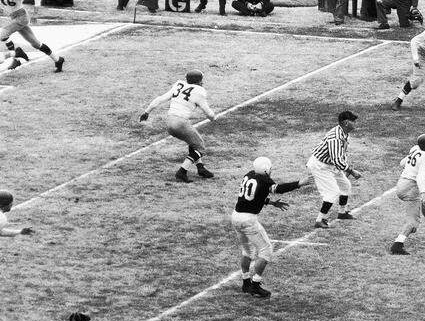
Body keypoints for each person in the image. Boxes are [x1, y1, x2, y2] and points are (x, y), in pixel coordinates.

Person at [232, 157, 304, 298]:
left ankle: (246, 281)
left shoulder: (249, 175)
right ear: (266, 169)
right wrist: (299, 183)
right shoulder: (264, 180)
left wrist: (270, 203)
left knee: (247, 251)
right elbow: (279, 189)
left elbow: (252, 196)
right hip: (248, 219)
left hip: (235, 216)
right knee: (266, 251)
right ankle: (255, 285)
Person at [139, 70, 218, 182]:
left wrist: (147, 112)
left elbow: (160, 99)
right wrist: (213, 118)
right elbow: (208, 113)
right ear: (199, 81)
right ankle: (182, 171)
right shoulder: (199, 91)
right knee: (200, 148)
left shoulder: (179, 85)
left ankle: (201, 168)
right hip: (180, 123)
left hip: (169, 121)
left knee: (193, 142)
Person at [390, 133, 425, 255]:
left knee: (420, 202)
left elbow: (402, 163)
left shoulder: (415, 148)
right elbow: (420, 178)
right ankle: (397, 245)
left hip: (401, 184)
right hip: (410, 187)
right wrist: (424, 193)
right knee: (413, 221)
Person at [309, 110, 363, 229]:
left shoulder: (343, 132)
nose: (355, 123)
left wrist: (345, 168)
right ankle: (320, 219)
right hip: (320, 166)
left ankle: (342, 213)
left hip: (330, 165)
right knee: (332, 192)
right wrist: (351, 171)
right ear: (346, 123)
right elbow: (337, 160)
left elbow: (340, 156)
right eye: (353, 121)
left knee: (345, 186)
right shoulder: (336, 138)